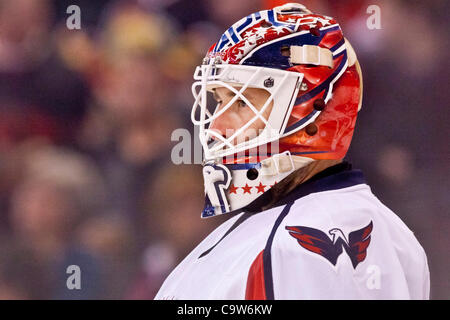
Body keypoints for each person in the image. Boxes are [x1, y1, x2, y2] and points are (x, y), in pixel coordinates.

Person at [155, 3, 430, 299]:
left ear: (311, 111)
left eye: (241, 102)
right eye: (218, 101)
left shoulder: (290, 249)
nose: (215, 127)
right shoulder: (397, 235)